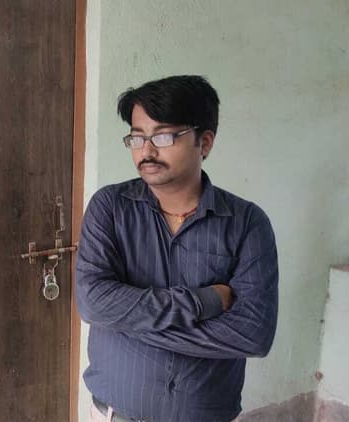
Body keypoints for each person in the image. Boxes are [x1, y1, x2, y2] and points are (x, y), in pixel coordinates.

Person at [76, 75, 278, 422]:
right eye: (137, 137)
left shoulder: (247, 223)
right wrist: (205, 301)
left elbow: (252, 334)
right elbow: (93, 302)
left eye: (163, 136)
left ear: (205, 142)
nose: (146, 151)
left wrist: (127, 320)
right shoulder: (109, 207)